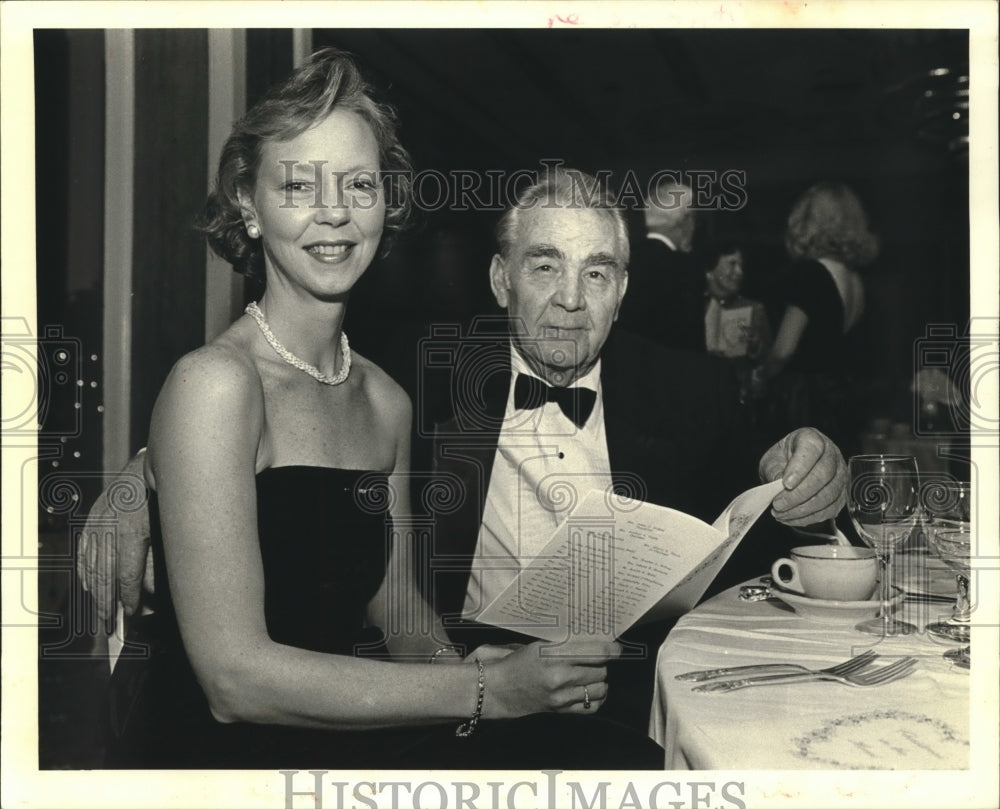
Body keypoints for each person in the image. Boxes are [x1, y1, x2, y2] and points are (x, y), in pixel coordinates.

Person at [83, 166, 847, 747]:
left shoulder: (692, 389)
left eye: (597, 272)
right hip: (443, 693)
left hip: (622, 703)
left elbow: (772, 511)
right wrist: (141, 470)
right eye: (544, 266)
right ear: (500, 280)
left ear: (622, 290)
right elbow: (275, 397)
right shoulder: (421, 369)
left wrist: (815, 468)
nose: (571, 300)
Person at [91, 49, 664, 770]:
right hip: (225, 756)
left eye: (360, 184)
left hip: (353, 727)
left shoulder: (385, 399)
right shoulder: (214, 384)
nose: (335, 212)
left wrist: (472, 670)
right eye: (300, 184)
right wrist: (486, 691)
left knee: (626, 756)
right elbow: (233, 681)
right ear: (248, 202)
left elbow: (400, 620)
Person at [746, 182, 879, 452]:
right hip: (842, 400)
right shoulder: (854, 278)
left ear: (808, 221)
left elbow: (784, 350)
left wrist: (760, 376)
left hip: (804, 403)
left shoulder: (809, 273)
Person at [616, 178, 705, 352]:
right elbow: (691, 341)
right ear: (686, 220)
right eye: (694, 218)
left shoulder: (623, 258)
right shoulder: (685, 269)